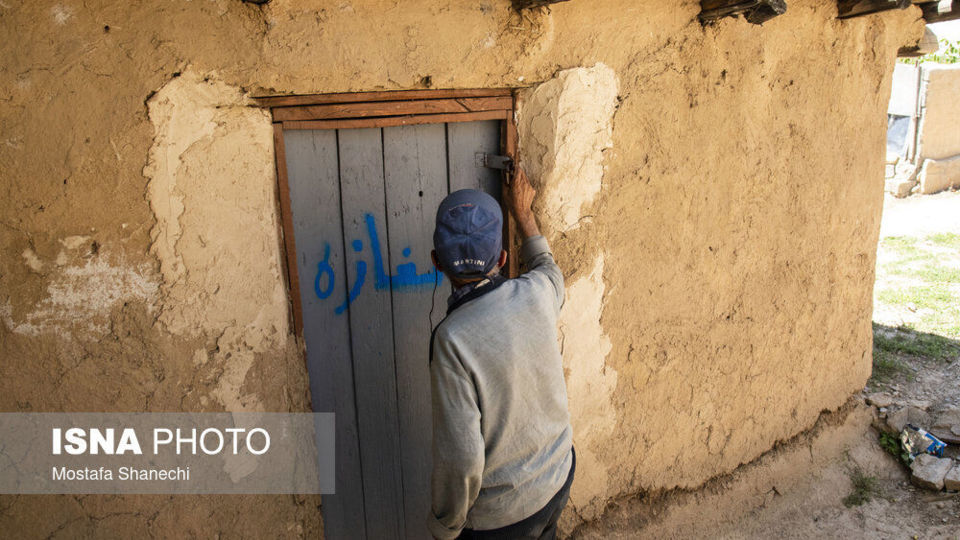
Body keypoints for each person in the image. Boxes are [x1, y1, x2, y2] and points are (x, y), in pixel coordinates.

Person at [427, 166, 575, 540]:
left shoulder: (451, 340)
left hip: (504, 519)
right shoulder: (539, 292)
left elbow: (462, 457)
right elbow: (548, 267)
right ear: (504, 258)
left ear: (436, 262)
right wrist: (523, 213)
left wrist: (446, 526)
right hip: (559, 477)